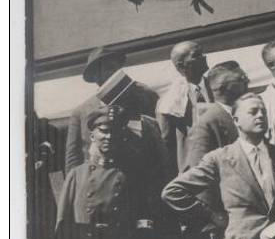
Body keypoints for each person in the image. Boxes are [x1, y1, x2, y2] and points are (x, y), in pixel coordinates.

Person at [162, 93, 275, 239]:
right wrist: (212, 216)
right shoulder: (220, 158)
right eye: (253, 112)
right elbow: (173, 192)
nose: (260, 115)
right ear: (236, 120)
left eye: (263, 112)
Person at [55, 106, 164, 239]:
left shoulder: (133, 175)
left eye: (115, 132)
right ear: (92, 135)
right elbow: (63, 222)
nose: (109, 137)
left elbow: (144, 216)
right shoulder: (76, 175)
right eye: (104, 131)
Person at [64, 47, 158, 173]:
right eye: (109, 69)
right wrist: (75, 185)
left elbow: (158, 139)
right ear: (95, 76)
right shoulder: (80, 112)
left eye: (117, 69)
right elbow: (73, 156)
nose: (114, 74)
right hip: (98, 179)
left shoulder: (141, 96)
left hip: (138, 176)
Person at [156, 40, 212, 175]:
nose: (203, 57)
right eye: (196, 55)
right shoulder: (168, 103)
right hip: (194, 172)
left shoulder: (217, 88)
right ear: (182, 66)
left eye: (202, 53)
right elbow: (166, 144)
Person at [184, 61, 249, 170]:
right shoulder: (206, 123)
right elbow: (199, 169)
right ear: (222, 87)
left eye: (245, 77)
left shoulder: (248, 113)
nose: (247, 81)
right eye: (240, 79)